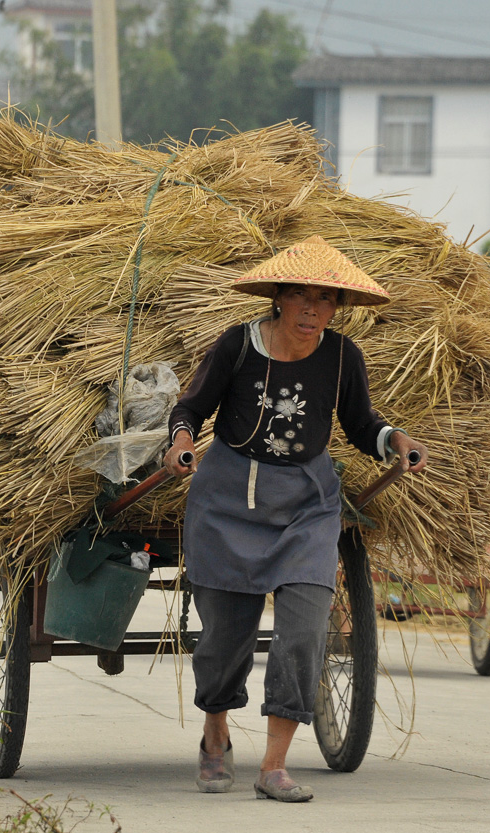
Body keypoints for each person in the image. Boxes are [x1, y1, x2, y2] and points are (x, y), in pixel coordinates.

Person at [165, 236, 428, 802]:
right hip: (228, 499)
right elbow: (191, 406)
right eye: (302, 296)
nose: (313, 310)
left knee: (305, 629)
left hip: (307, 504)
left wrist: (393, 440)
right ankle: (216, 737)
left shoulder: (341, 357)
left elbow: (361, 423)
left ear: (337, 307)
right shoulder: (237, 346)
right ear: (278, 298)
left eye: (325, 299)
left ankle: (274, 765)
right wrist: (181, 440)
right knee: (223, 640)